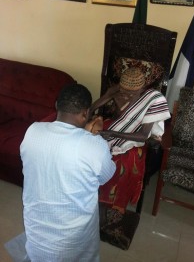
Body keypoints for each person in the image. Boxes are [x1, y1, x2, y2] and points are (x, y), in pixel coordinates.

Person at [20, 83, 116, 262]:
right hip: (73, 240)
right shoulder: (94, 145)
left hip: (36, 232)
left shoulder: (32, 130)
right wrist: (93, 139)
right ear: (86, 114)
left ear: (57, 106)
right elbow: (107, 175)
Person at [89, 67, 171, 213]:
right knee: (90, 149)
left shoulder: (152, 99)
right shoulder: (117, 90)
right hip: (114, 126)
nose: (126, 94)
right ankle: (89, 194)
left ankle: (114, 202)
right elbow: (94, 106)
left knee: (124, 161)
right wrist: (86, 119)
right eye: (123, 90)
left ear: (142, 87)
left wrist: (112, 133)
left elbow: (144, 135)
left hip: (136, 134)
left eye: (131, 93)